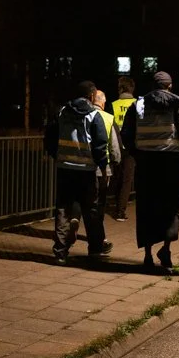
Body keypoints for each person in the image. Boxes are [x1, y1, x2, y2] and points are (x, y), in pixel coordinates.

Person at [121, 71, 179, 273]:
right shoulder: (178, 105)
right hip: (171, 163)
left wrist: (137, 153)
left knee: (146, 206)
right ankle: (166, 250)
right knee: (171, 207)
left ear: (154, 86)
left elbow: (126, 134)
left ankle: (147, 255)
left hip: (146, 163)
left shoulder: (138, 105)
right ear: (170, 86)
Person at [44, 80, 111, 264]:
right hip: (87, 171)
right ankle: (95, 249)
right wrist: (103, 166)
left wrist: (55, 155)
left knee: (63, 210)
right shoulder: (94, 115)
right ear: (91, 96)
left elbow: (49, 135)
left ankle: (60, 251)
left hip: (65, 168)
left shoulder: (62, 112)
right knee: (91, 210)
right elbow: (99, 144)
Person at [91, 89, 121, 243]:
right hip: (103, 168)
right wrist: (116, 161)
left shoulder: (85, 115)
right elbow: (114, 146)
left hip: (85, 166)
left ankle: (75, 223)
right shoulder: (108, 117)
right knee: (100, 202)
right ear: (102, 102)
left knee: (86, 200)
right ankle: (98, 236)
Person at [108, 77, 137, 221]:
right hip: (131, 146)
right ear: (132, 88)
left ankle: (116, 202)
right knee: (127, 179)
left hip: (117, 145)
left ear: (120, 88)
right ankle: (120, 211)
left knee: (117, 177)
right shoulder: (137, 104)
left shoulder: (113, 105)